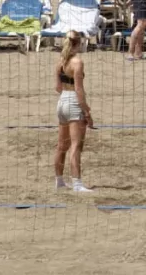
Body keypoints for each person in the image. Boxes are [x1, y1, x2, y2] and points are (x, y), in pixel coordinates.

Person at [53, 31, 94, 192]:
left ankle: (59, 181)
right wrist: (87, 112)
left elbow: (57, 87)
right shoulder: (78, 62)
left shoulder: (60, 61)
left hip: (62, 101)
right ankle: (77, 184)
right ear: (78, 43)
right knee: (76, 146)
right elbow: (79, 90)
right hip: (73, 102)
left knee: (61, 146)